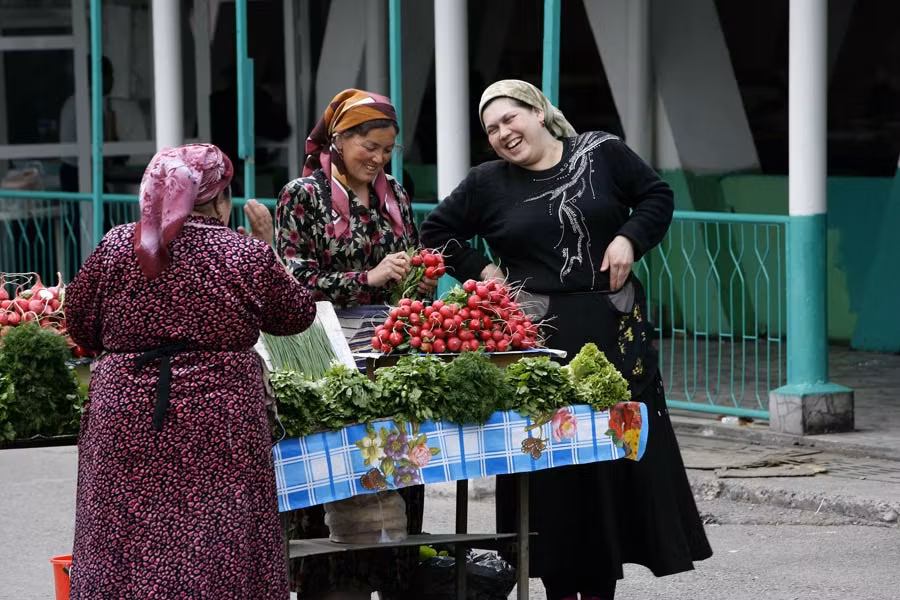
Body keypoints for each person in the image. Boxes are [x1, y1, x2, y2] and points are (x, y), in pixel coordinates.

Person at [420, 79, 712, 600]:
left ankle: (602, 590)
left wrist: (628, 238)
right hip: (538, 348)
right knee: (552, 481)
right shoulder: (488, 182)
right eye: (491, 129)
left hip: (616, 341)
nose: (503, 133)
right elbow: (437, 231)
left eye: (511, 119)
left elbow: (656, 196)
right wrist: (482, 268)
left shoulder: (601, 152)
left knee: (610, 471)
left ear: (538, 111)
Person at [64, 143, 316, 599]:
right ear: (219, 198)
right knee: (219, 544)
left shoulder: (118, 245)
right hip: (220, 420)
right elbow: (296, 315)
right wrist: (266, 248)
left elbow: (80, 323)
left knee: (124, 540)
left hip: (125, 413)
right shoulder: (243, 254)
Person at [275, 88, 434, 600]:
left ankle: (396, 579)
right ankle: (327, 587)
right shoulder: (303, 196)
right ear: (340, 139)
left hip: (389, 354)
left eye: (387, 150)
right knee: (333, 470)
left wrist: (417, 282)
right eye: (370, 146)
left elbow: (405, 262)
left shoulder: (396, 196)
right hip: (325, 357)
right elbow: (292, 276)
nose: (379, 159)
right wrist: (367, 277)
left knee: (399, 467)